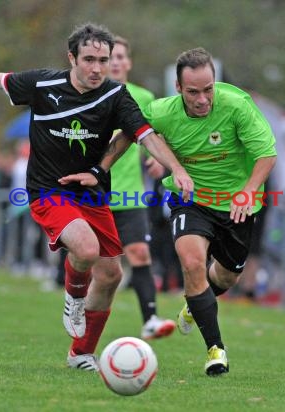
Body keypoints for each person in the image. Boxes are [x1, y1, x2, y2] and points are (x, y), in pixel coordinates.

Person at [0, 23, 193, 371]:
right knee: (87, 250)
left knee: (110, 275)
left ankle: (81, 354)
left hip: (91, 194)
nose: (96, 68)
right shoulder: (43, 84)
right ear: (71, 57)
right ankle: (73, 296)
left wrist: (176, 169)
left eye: (103, 60)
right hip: (48, 190)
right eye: (88, 59)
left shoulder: (116, 96)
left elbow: (146, 136)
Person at [142, 48, 277, 375]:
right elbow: (136, 130)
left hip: (236, 204)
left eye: (208, 89)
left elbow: (267, 154)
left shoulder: (238, 106)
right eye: (193, 92)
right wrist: (104, 168)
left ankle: (194, 304)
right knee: (192, 263)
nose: (203, 99)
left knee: (228, 275)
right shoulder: (161, 111)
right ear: (178, 88)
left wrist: (248, 191)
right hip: (190, 200)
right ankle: (215, 349)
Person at [108, 36, 176, 339]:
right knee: (102, 269)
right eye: (111, 56)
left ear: (129, 62)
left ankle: (150, 318)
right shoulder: (88, 97)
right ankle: (81, 311)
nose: (116, 61)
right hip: (93, 194)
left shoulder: (144, 97)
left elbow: (152, 137)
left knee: (139, 253)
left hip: (131, 193)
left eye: (121, 56)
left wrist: (157, 161)